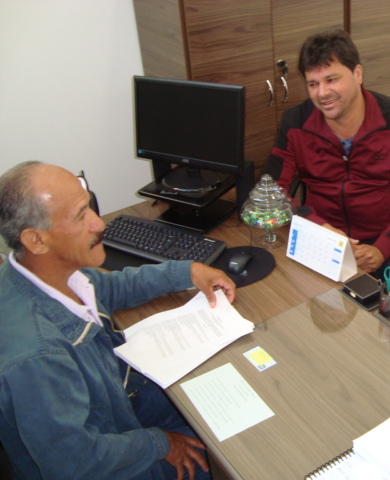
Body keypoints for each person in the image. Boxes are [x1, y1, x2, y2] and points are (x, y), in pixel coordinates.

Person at [0, 161, 236, 479]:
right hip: (98, 463)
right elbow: (74, 463)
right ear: (36, 240)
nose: (99, 224)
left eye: (91, 206)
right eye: (81, 215)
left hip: (113, 404)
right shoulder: (38, 356)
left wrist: (186, 271)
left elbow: (111, 287)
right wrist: (160, 444)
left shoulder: (44, 272)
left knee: (217, 403)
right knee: (225, 451)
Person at [263, 30, 390, 310]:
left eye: (332, 79)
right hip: (324, 234)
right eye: (313, 84)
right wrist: (321, 228)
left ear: (357, 74)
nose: (322, 93)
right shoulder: (296, 123)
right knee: (306, 308)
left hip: (389, 236)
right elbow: (271, 192)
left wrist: (382, 248)